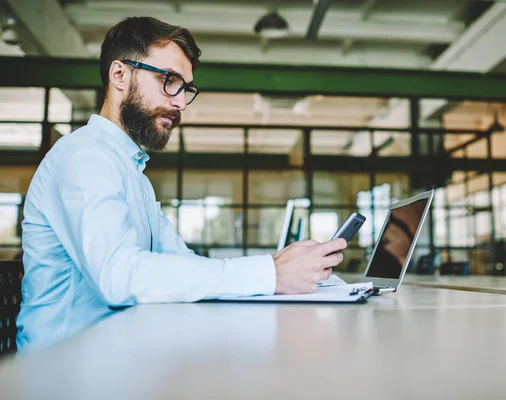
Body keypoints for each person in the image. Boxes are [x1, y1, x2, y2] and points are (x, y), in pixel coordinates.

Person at [16, 17, 346, 351]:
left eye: (186, 88)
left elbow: (184, 264)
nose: (181, 102)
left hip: (114, 356)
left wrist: (279, 269)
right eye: (169, 81)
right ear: (119, 75)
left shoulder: (131, 173)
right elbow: (119, 276)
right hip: (64, 373)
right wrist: (269, 273)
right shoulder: (84, 158)